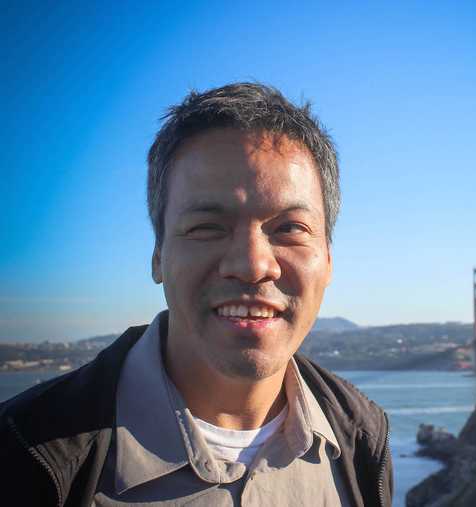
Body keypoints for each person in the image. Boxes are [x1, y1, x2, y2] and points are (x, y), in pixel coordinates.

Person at [0, 83, 392, 506]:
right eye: (207, 227)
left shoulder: (363, 440)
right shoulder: (21, 454)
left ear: (329, 260)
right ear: (157, 256)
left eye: (289, 228)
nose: (252, 265)